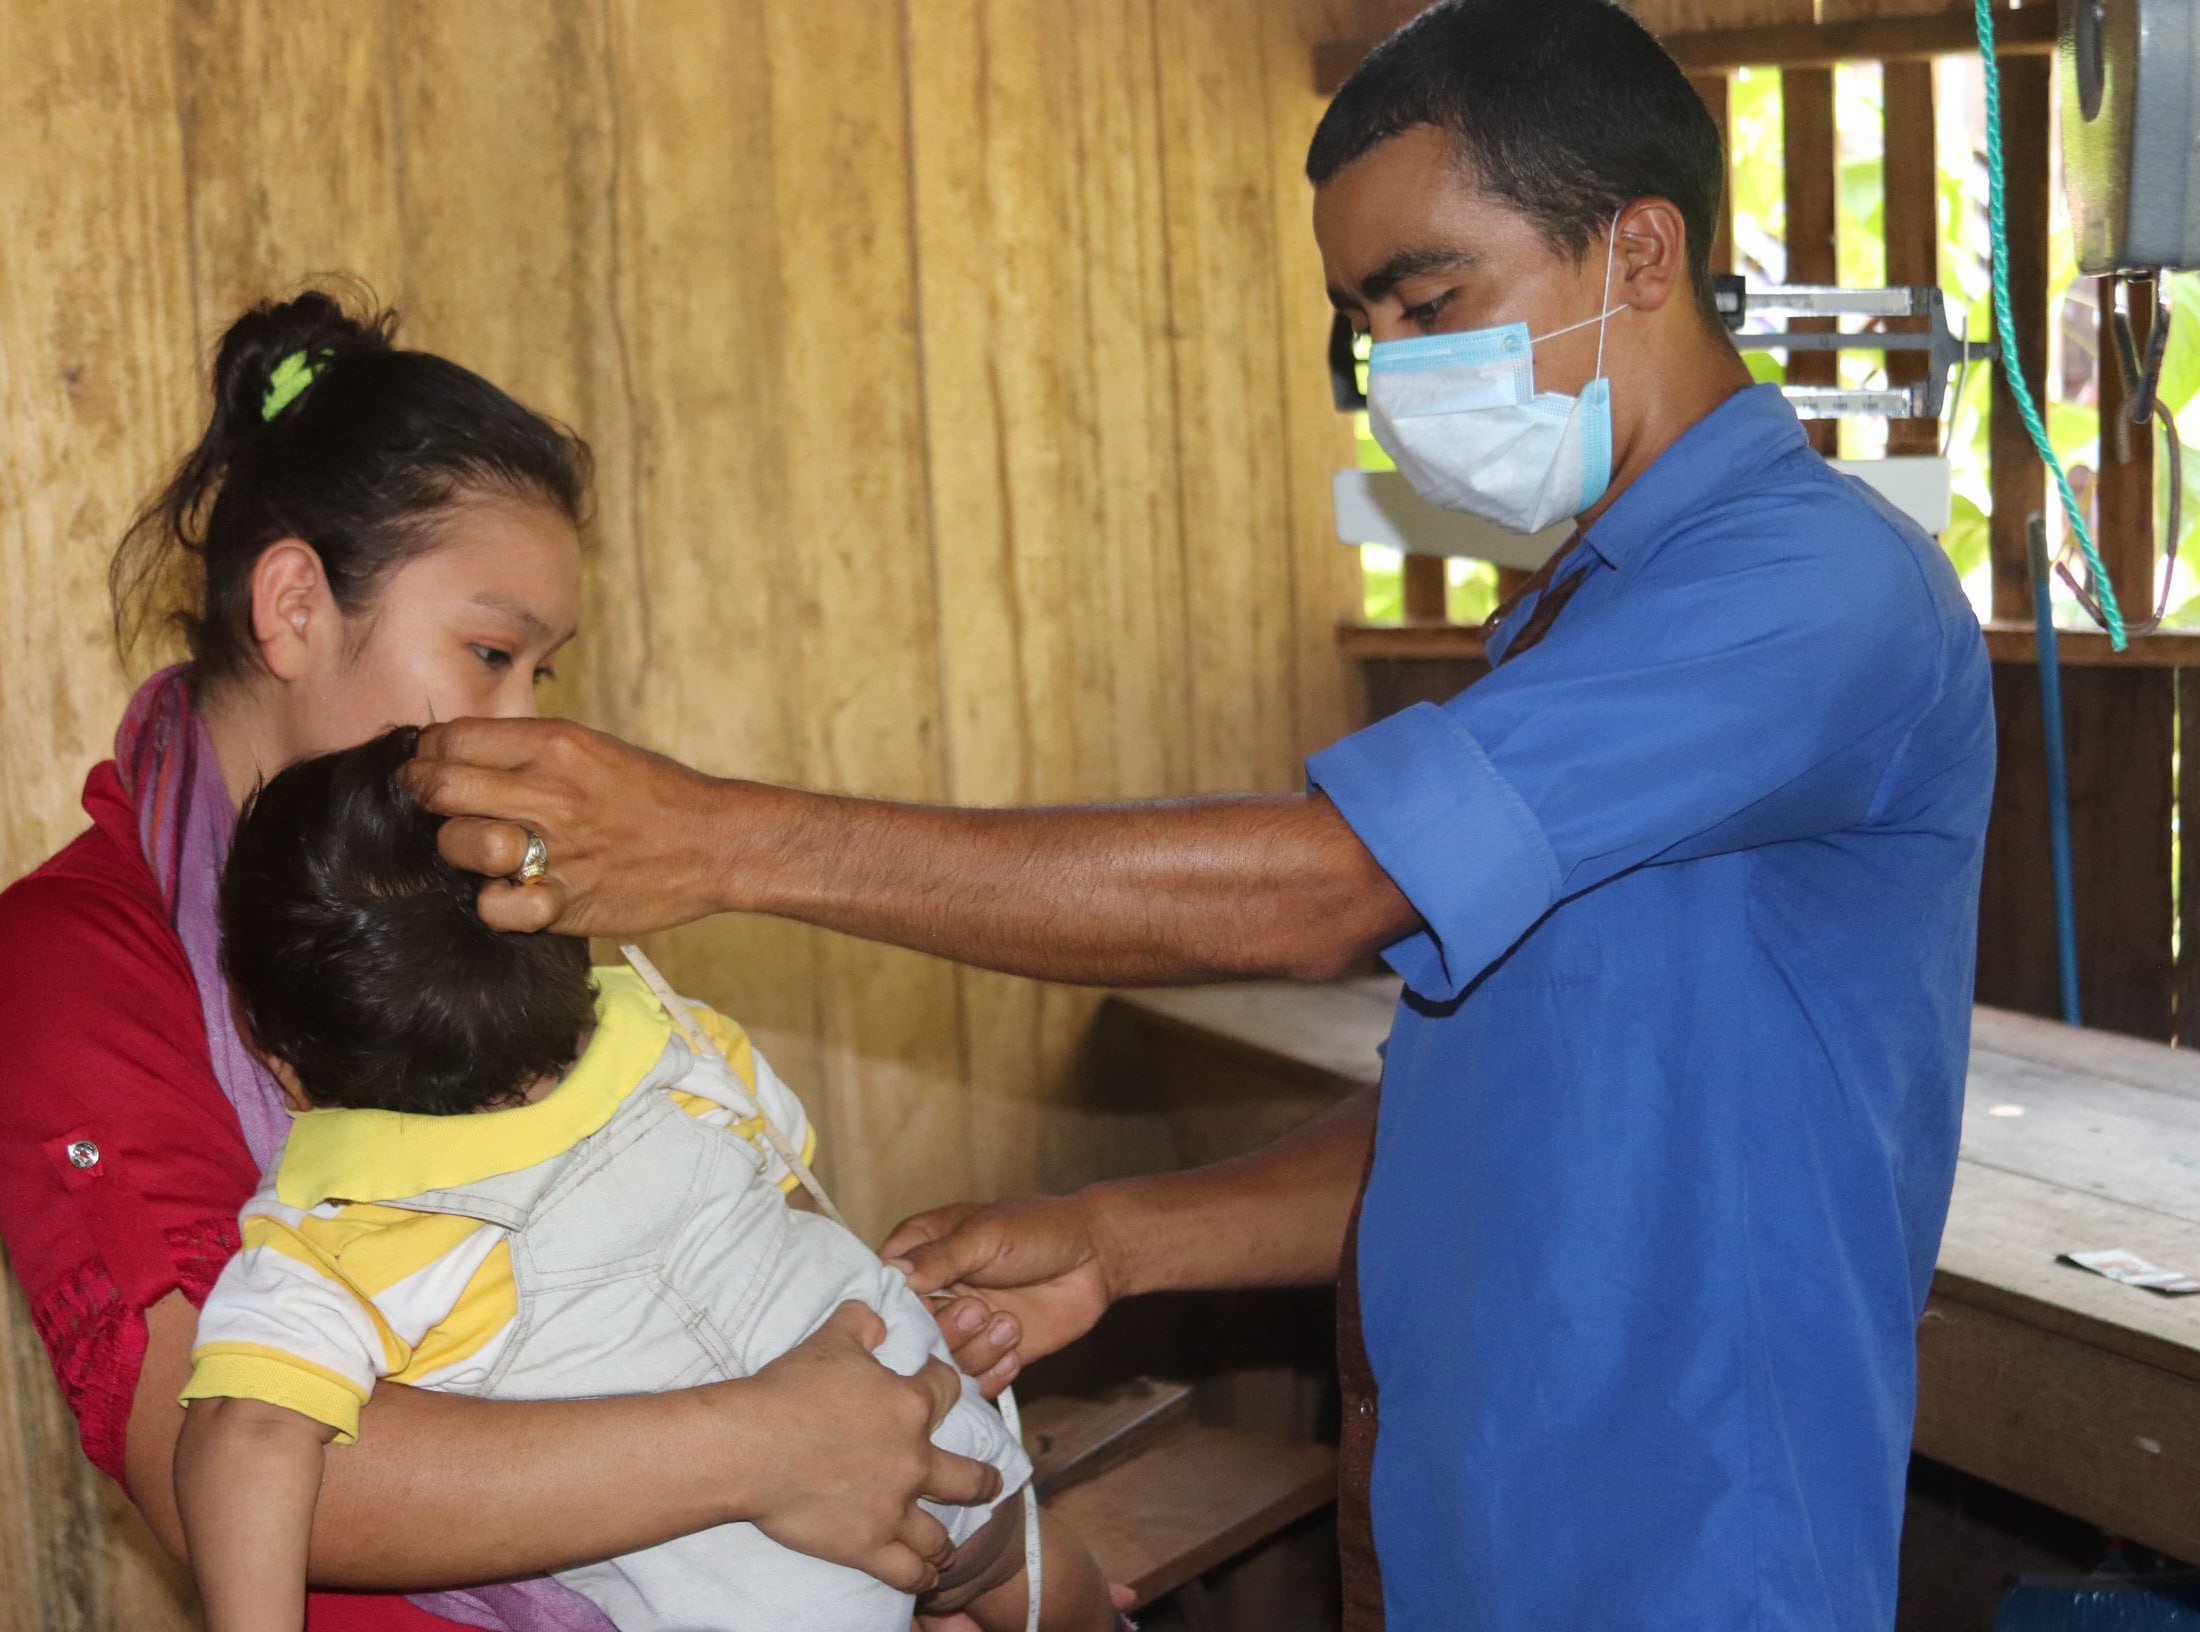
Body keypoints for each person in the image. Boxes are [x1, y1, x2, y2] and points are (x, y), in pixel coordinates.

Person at [398, 2, 2001, 1628]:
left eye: (1428, 297)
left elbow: (1318, 887)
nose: (1394, 362)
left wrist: (731, 842)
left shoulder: (1806, 595)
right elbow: (1482, 1119)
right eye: (1362, 320)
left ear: (1636, 252)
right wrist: (1116, 1236)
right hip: (1480, 1536)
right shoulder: (1572, 629)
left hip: (1686, 1545)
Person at [0, 290, 1018, 1632]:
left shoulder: (499, 886)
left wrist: (892, 1431)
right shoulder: (68, 972)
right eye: (490, 655)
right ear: (292, 607)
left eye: (540, 677)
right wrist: (767, 1444)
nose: (529, 732)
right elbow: (216, 1457)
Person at [173, 727, 1112, 1632]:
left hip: (759, 1600)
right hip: (941, 1448)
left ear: (270, 1052)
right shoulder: (682, 1042)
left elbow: (246, 1438)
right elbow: (783, 1213)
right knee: (1043, 1575)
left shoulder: (341, 1239)